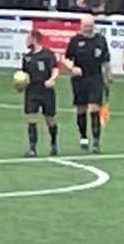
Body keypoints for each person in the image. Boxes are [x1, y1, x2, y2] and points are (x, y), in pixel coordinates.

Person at [64, 15, 111, 153]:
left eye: (90, 25)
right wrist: (72, 68)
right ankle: (83, 137)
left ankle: (96, 141)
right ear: (81, 25)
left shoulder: (100, 40)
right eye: (86, 25)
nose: (88, 28)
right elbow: (66, 59)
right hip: (79, 79)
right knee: (81, 109)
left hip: (95, 78)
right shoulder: (75, 41)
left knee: (94, 108)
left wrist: (109, 76)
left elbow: (105, 60)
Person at [19, 28, 63, 156]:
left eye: (28, 38)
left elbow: (55, 69)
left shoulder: (47, 54)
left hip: (46, 90)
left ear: (34, 38)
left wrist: (51, 79)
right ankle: (32, 148)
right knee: (31, 118)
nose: (26, 41)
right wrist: (21, 85)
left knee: (50, 119)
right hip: (32, 91)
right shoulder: (27, 57)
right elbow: (24, 74)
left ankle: (54, 144)